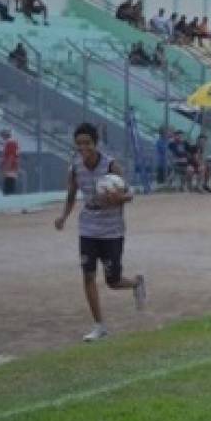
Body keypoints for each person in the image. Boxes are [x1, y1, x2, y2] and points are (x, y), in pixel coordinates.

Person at [54, 123, 146, 342]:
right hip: (87, 228)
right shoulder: (75, 166)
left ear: (96, 143)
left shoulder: (111, 166)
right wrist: (63, 216)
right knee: (88, 276)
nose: (83, 147)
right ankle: (99, 325)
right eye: (79, 143)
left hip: (112, 230)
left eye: (87, 143)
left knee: (113, 281)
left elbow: (130, 193)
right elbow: (71, 194)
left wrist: (119, 198)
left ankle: (136, 283)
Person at [0, 129, 19, 195]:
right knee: (8, 183)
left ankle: (9, 195)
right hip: (10, 167)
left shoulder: (10, 143)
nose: (2, 138)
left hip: (10, 167)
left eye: (2, 136)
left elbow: (11, 156)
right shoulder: (9, 143)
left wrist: (7, 167)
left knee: (9, 184)